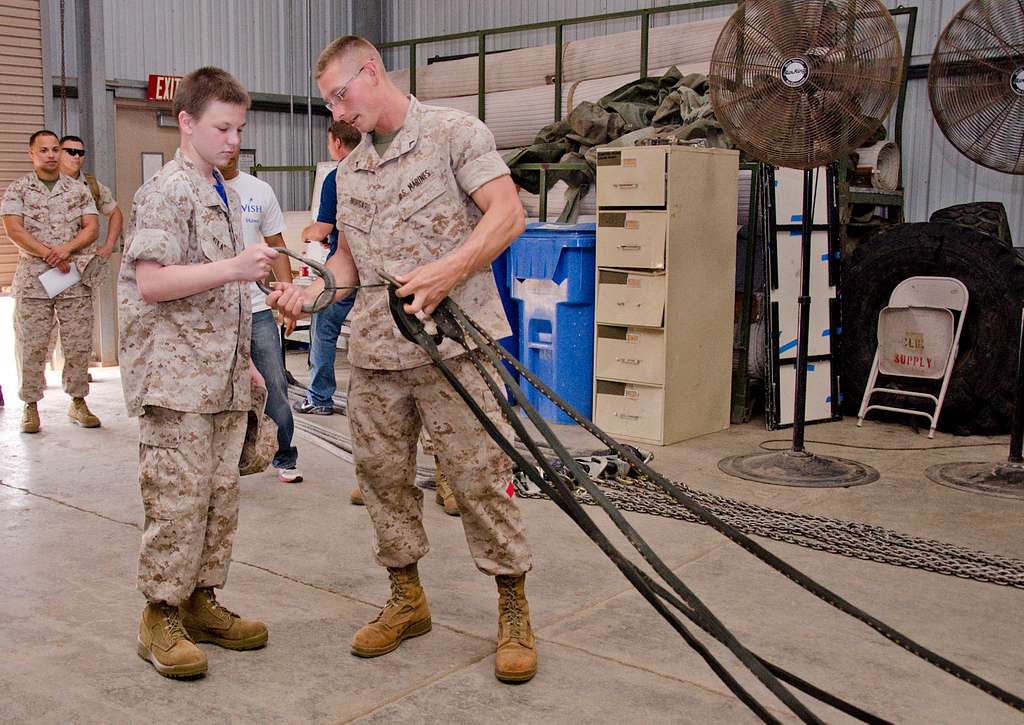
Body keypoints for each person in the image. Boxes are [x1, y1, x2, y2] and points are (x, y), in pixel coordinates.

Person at [270, 36, 537, 683]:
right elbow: (348, 264)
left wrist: (448, 270)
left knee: (478, 480)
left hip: (457, 349)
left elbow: (508, 215)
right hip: (378, 352)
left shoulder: (453, 134)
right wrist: (311, 292)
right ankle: (406, 597)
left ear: (372, 71)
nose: (336, 110)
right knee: (384, 480)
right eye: (327, 101)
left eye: (340, 94)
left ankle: (512, 607)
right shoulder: (348, 173)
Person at [118, 67, 278, 680]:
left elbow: (219, 298)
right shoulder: (167, 192)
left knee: (219, 500)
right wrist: (237, 267)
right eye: (221, 127)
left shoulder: (220, 190)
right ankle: (160, 615)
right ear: (187, 123)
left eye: (239, 128)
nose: (233, 139)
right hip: (176, 384)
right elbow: (153, 282)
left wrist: (246, 364)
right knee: (177, 504)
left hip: (219, 379)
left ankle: (202, 601)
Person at [1, 129, 100, 433]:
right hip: (34, 281)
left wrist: (65, 250)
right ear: (31, 154)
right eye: (43, 150)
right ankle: (30, 406)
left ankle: (78, 401)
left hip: (72, 279)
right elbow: (14, 230)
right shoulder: (18, 190)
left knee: (78, 344)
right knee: (31, 345)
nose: (51, 155)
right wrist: (48, 253)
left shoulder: (77, 190)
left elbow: (91, 227)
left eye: (56, 149)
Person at [219, 147, 304, 483]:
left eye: (235, 134)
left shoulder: (259, 190)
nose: (228, 145)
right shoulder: (192, 189)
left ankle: (284, 455)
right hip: (213, 313)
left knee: (274, 383)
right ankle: (225, 458)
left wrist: (286, 293)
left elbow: (277, 245)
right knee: (217, 388)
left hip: (258, 308)